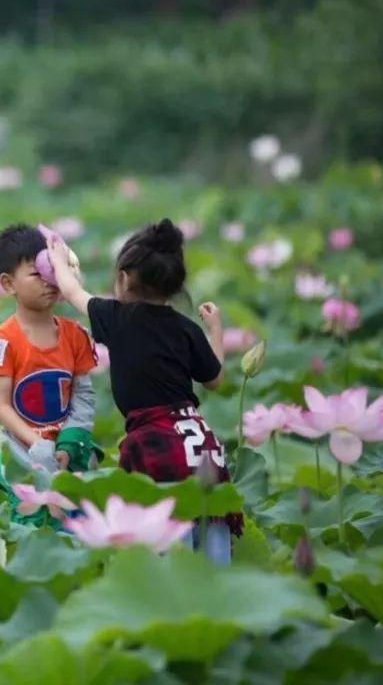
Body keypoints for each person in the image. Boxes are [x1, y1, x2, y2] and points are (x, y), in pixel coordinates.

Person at [47, 218, 240, 564]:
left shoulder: (117, 317)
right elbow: (215, 379)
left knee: (165, 558)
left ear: (123, 277)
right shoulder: (186, 329)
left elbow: (73, 292)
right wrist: (215, 330)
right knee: (213, 564)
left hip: (157, 446)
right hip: (200, 444)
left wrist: (59, 260)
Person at [0, 224, 102, 526]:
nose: (49, 282)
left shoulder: (75, 335)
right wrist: (36, 444)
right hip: (24, 454)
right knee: (34, 528)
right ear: (8, 284)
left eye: (52, 272)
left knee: (80, 528)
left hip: (72, 451)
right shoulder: (2, 341)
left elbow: (83, 393)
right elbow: (1, 406)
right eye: (36, 274)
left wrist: (72, 438)